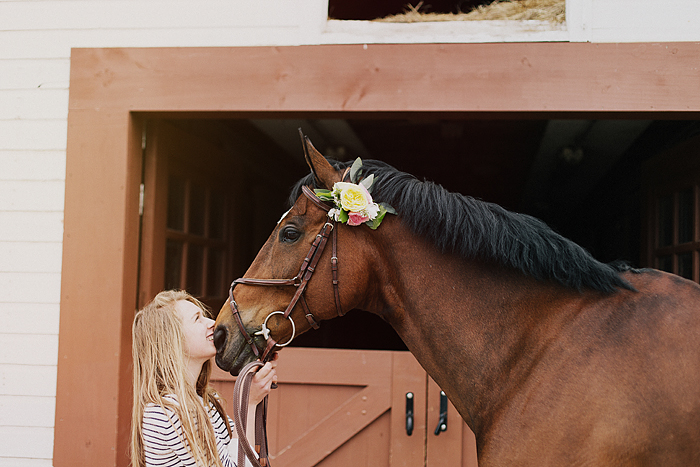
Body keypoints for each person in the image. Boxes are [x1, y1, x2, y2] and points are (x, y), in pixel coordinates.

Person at [130, 290, 277, 467]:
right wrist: (249, 402)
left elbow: (244, 459)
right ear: (172, 340)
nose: (212, 323)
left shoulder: (207, 403)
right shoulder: (168, 412)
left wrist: (252, 390)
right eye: (197, 319)